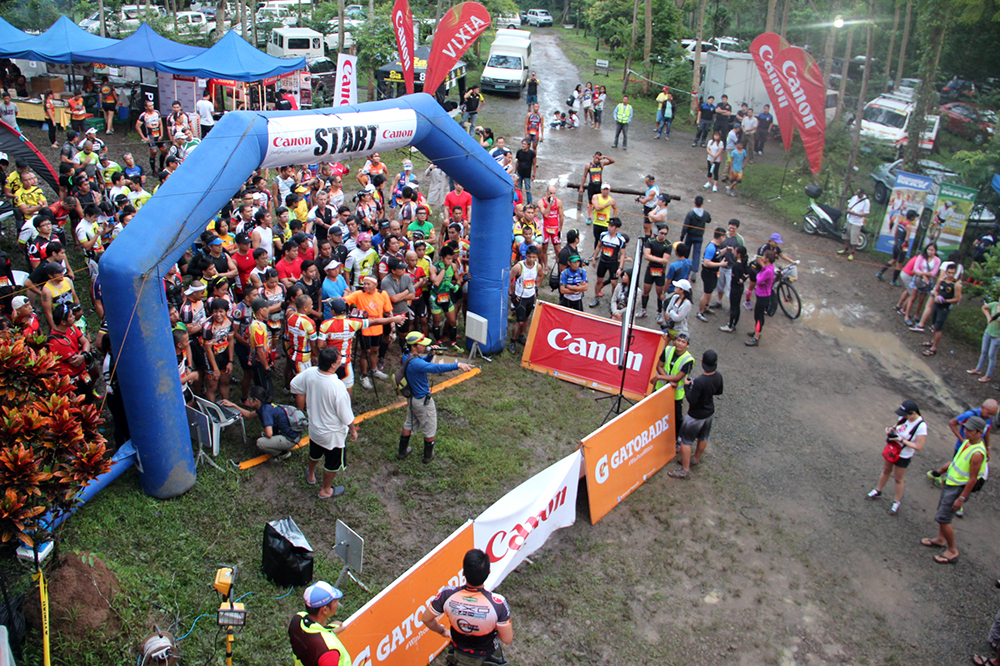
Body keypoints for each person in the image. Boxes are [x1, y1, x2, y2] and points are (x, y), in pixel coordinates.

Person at [421, 548, 512, 666]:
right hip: (488, 657)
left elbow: (426, 619)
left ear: (463, 572)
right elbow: (507, 639)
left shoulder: (447, 594)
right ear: (489, 571)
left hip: (457, 653)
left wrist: (443, 631)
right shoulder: (498, 603)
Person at [291, 348, 357, 499]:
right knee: (332, 464)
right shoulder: (338, 387)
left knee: (314, 453)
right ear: (333, 365)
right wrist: (353, 430)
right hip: (333, 436)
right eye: (339, 357)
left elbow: (294, 385)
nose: (341, 359)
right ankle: (326, 490)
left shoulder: (310, 372)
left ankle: (311, 474)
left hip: (314, 429)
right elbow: (346, 416)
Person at [396, 331, 473, 463]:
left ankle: (402, 452)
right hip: (422, 401)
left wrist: (430, 354)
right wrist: (458, 365)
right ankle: (428, 456)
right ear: (414, 346)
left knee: (409, 423)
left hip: (413, 398)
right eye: (422, 344)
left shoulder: (407, 356)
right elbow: (435, 368)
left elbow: (422, 363)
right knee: (430, 426)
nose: (425, 346)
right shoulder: (416, 363)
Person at [921, 415, 987, 565]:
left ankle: (952, 551)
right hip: (951, 484)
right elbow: (957, 462)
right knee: (941, 513)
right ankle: (940, 539)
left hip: (958, 490)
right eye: (966, 428)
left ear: (979, 432)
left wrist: (962, 498)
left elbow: (973, 479)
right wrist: (947, 474)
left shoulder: (977, 453)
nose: (966, 432)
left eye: (970, 430)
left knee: (943, 518)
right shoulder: (968, 443)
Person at [865, 400, 927, 515]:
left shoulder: (921, 426)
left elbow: (918, 446)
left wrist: (902, 440)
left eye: (905, 414)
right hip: (893, 450)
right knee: (886, 470)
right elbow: (897, 428)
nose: (903, 416)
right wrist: (890, 431)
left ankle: (896, 502)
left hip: (904, 455)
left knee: (898, 479)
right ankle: (878, 490)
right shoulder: (903, 418)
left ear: (913, 413)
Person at [669, 349, 723, 479]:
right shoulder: (718, 376)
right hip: (708, 413)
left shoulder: (700, 382)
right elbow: (718, 392)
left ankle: (685, 470)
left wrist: (687, 386)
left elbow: (691, 399)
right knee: (703, 437)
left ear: (702, 361)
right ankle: (696, 458)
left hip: (695, 415)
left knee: (685, 442)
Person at [222, 386, 300, 460]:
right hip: (293, 432)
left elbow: (269, 434)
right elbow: (249, 415)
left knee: (260, 442)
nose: (248, 401)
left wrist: (263, 434)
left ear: (256, 400)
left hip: (291, 439)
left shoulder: (266, 411)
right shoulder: (265, 405)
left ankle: (282, 453)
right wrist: (233, 405)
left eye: (249, 399)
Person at [288, 581, 351, 666]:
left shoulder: (298, 619)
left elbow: (311, 634)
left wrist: (330, 630)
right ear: (324, 609)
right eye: (335, 601)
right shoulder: (328, 651)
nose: (337, 603)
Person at [652, 331, 694, 449]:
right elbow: (659, 366)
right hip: (661, 388)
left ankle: (677, 438)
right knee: (654, 410)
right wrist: (668, 381)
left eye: (683, 342)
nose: (680, 344)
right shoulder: (668, 350)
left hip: (676, 394)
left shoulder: (688, 360)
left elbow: (677, 377)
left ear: (687, 345)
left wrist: (660, 377)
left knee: (677, 417)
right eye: (678, 340)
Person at [919, 262, 961, 357]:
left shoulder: (956, 284)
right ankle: (932, 341)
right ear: (946, 272)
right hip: (936, 305)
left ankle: (934, 348)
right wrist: (936, 295)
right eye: (949, 272)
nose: (951, 275)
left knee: (938, 328)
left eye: (953, 273)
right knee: (933, 325)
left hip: (944, 308)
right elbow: (935, 290)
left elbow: (957, 299)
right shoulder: (942, 280)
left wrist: (945, 301)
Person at [589, 217, 627, 308]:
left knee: (614, 283)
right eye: (609, 225)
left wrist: (620, 268)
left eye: (612, 226)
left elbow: (622, 255)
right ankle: (596, 297)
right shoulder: (603, 235)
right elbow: (598, 246)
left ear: (616, 228)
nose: (609, 227)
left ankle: (613, 301)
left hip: (613, 263)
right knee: (599, 281)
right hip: (603, 261)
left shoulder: (621, 240)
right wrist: (594, 258)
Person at [508, 245, 539, 352]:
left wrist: (537, 287)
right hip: (520, 297)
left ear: (536, 257)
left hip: (530, 297)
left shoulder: (537, 266)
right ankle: (512, 341)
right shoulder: (519, 267)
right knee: (520, 321)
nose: (531, 259)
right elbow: (508, 278)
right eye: (529, 257)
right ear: (525, 256)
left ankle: (521, 336)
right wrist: (511, 294)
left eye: (533, 257)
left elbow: (540, 275)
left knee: (526, 318)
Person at [640, 223, 672, 323]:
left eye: (665, 234)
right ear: (657, 232)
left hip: (660, 271)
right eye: (661, 233)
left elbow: (665, 260)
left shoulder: (668, 245)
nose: (663, 235)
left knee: (659, 293)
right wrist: (659, 259)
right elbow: (646, 256)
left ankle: (658, 312)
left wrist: (652, 258)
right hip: (650, 269)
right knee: (646, 290)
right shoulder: (650, 241)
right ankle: (643, 309)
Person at [877, 209, 917, 285]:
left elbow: (896, 233)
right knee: (899, 264)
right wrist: (907, 245)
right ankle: (894, 281)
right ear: (912, 218)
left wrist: (896, 241)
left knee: (893, 259)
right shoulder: (908, 226)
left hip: (897, 243)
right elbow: (907, 238)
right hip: (903, 245)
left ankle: (880, 272)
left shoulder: (901, 222)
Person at [695, 228, 726, 321]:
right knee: (706, 293)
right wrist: (721, 264)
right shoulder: (711, 247)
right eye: (724, 236)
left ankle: (706, 306)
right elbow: (707, 262)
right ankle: (700, 312)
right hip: (708, 273)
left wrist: (726, 250)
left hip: (714, 273)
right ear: (721, 237)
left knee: (711, 291)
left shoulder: (717, 246)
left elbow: (718, 254)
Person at [745, 250, 775, 347]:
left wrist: (759, 277)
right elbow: (759, 277)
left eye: (764, 257)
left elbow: (758, 280)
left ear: (768, 259)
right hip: (761, 295)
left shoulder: (768, 270)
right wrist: (759, 277)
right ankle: (756, 332)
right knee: (757, 316)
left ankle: (756, 337)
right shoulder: (768, 267)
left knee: (758, 317)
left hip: (763, 296)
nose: (762, 258)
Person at [719, 245, 749, 333]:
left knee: (733, 307)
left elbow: (736, 279)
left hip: (735, 288)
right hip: (740, 288)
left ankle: (730, 325)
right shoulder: (744, 262)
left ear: (738, 254)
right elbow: (747, 273)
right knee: (737, 306)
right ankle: (734, 324)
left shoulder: (736, 266)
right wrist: (743, 279)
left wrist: (739, 280)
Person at [969, 300, 1000, 383]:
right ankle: (978, 369)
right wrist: (988, 317)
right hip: (988, 332)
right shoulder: (995, 305)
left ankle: (988, 375)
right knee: (984, 352)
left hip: (997, 336)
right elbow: (984, 307)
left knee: (991, 355)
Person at [680, 196, 710, 277]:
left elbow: (685, 226)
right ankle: (694, 272)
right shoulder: (705, 213)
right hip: (699, 236)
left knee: (686, 252)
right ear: (702, 203)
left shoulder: (690, 214)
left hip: (690, 235)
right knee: (696, 253)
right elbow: (709, 220)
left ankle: (683, 267)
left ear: (694, 202)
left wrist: (682, 236)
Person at [837, 188, 870, 261]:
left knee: (854, 238)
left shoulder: (866, 202)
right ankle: (846, 249)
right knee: (846, 234)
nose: (858, 196)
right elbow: (850, 205)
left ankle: (852, 253)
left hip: (857, 222)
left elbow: (866, 213)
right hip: (849, 219)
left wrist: (857, 214)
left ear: (863, 194)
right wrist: (849, 210)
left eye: (859, 194)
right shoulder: (854, 198)